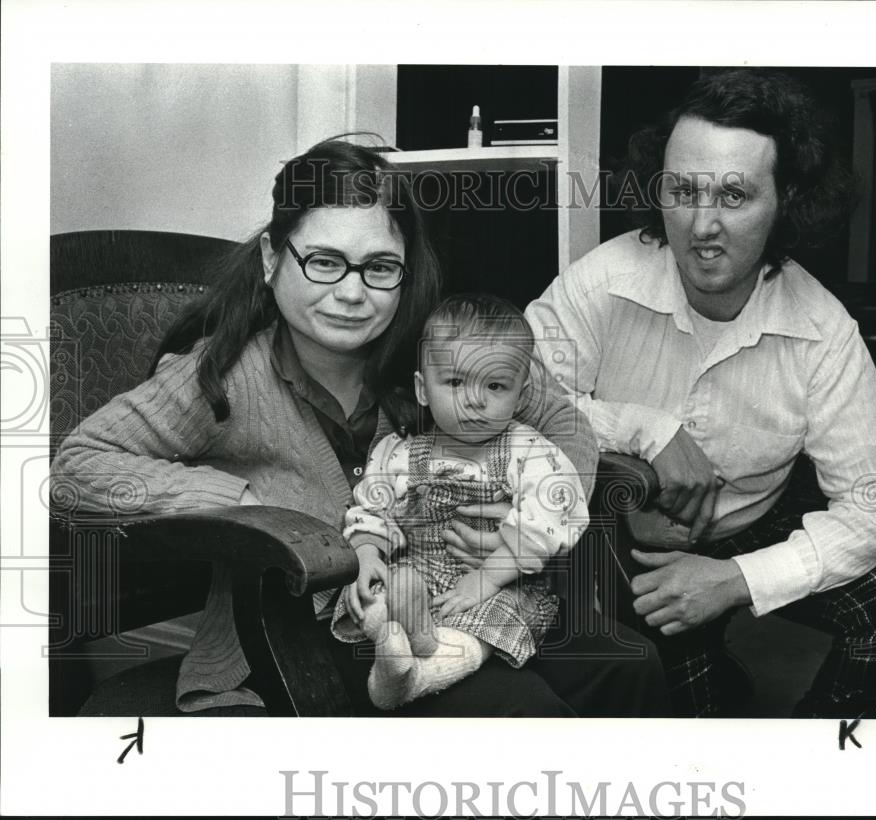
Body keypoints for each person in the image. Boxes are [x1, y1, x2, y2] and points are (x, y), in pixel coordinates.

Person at [51, 136, 668, 717]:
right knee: (519, 710)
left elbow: (563, 421)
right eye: (324, 261)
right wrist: (242, 503)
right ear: (273, 258)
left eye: (378, 267)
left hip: (468, 591)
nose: (352, 292)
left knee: (630, 667)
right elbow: (77, 467)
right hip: (312, 626)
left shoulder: (435, 350)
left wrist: (517, 533)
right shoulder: (225, 372)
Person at [525, 70, 876, 718]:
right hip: (627, 530)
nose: (703, 225)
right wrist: (644, 430)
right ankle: (711, 679)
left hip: (760, 518)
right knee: (688, 721)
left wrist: (736, 582)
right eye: (684, 191)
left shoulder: (822, 329)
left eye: (734, 194)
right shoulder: (604, 280)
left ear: (786, 201)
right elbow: (516, 391)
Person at [330, 294, 590, 710]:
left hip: (495, 583)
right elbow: (371, 506)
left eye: (495, 385)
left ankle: (414, 676)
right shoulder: (398, 453)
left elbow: (550, 522)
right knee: (374, 591)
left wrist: (485, 580)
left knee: (484, 628)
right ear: (422, 389)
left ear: (521, 395)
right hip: (415, 574)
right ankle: (392, 636)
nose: (474, 400)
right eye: (454, 382)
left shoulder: (531, 453)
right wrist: (365, 550)